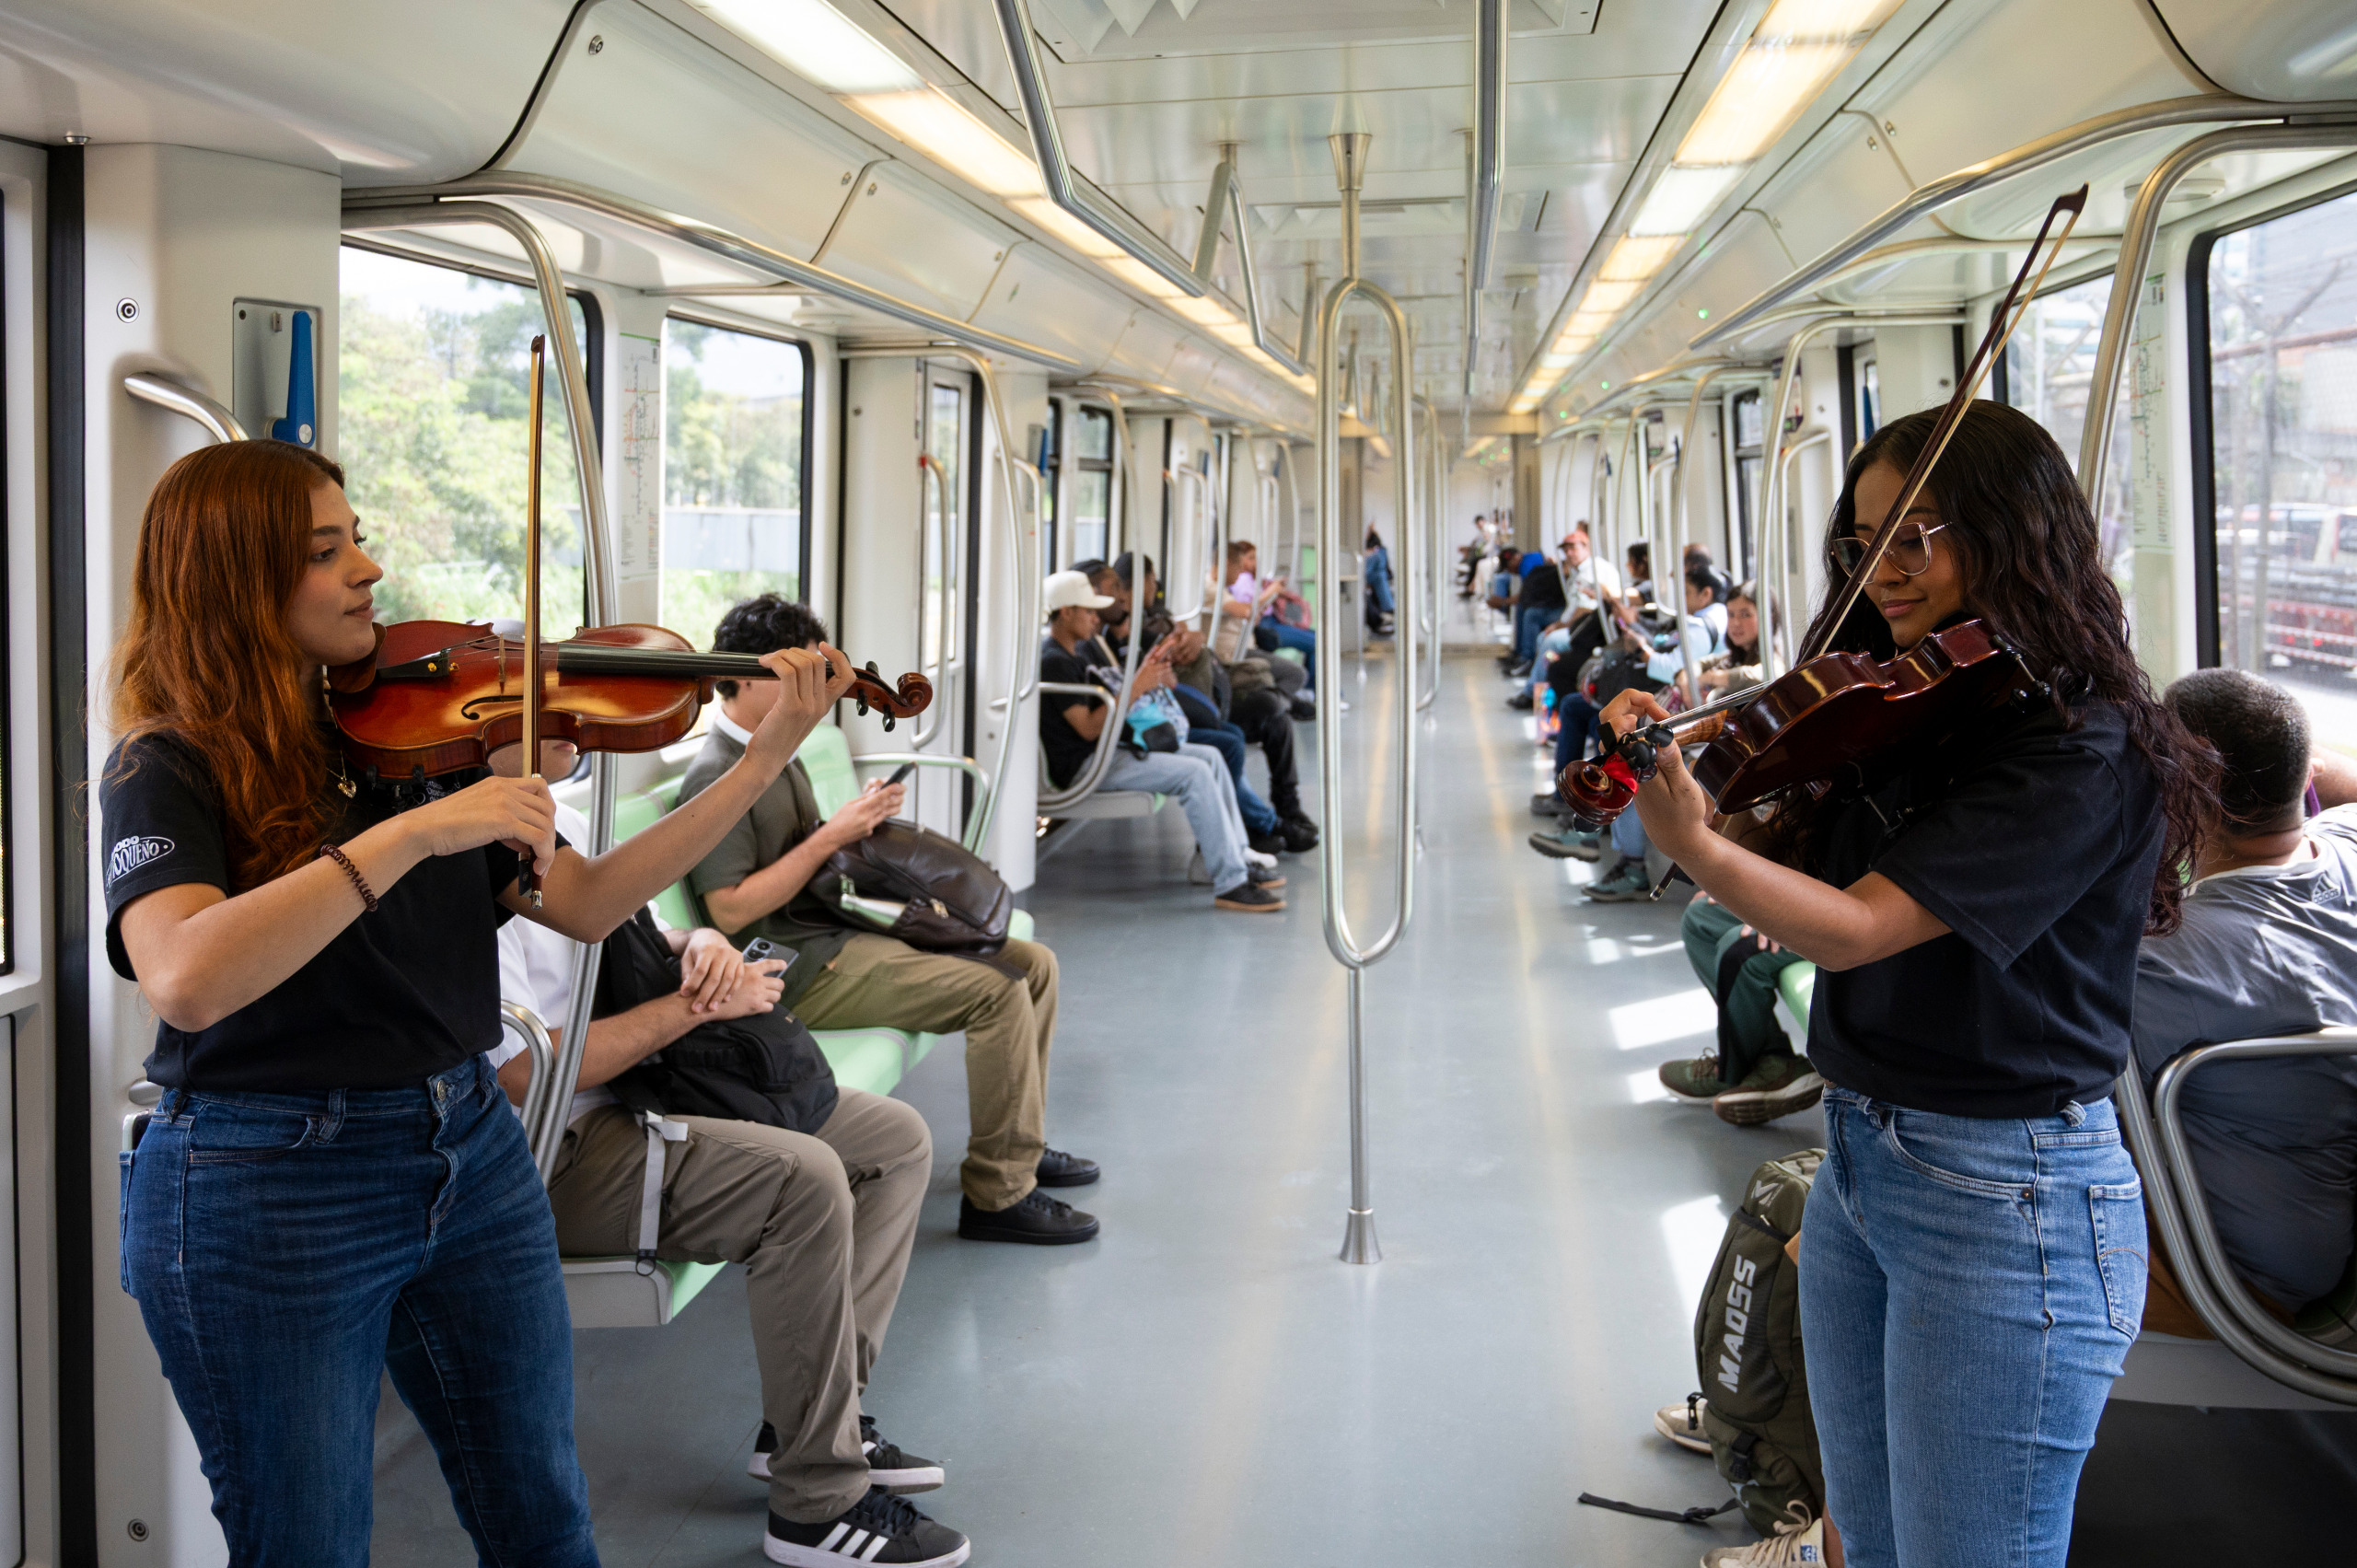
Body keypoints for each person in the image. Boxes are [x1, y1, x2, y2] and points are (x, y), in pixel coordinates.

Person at [104, 440, 861, 1564]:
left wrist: (761, 764)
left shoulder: (413, 731)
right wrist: (412, 834)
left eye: (357, 535)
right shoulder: (163, 763)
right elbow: (185, 972)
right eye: (325, 549)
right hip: (265, 1180)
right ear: (234, 581)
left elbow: (592, 901)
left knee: (544, 1513)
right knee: (306, 1541)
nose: (367, 566)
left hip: (468, 1143)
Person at [1597, 400, 2211, 1567]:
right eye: (1867, 540)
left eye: (1920, 532)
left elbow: (1859, 929)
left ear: (2013, 532)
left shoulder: (2082, 744)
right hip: (1866, 1154)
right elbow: (1795, 860)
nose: (1887, 567)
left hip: (2006, 1191)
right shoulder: (1915, 707)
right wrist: (1680, 770)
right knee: (1866, 1540)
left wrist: (1697, 845)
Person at [492, 780, 966, 1568]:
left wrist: (697, 945)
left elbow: (641, 927)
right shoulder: (475, 859)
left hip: (643, 1089)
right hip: (554, 1146)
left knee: (892, 1140)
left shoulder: (564, 816)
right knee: (805, 1179)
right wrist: (696, 1010)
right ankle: (818, 1501)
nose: (579, 708)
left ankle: (817, 1425)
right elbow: (518, 1070)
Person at [677, 593, 1105, 1247]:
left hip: (830, 929)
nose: (814, 693)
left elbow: (798, 850)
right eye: (800, 676)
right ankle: (998, 1191)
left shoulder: (775, 748)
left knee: (1032, 963)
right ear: (754, 674)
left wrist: (851, 821)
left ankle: (1021, 1138)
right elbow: (730, 906)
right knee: (997, 992)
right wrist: (829, 838)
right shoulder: (719, 772)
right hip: (795, 965)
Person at [2131, 668, 2357, 1330]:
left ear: (2178, 791)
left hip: (2231, 1274)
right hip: (2311, 1239)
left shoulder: (2166, 965)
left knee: (1904, 1198)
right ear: (2303, 777)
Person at [1038, 570, 1285, 912]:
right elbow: (1088, 729)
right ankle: (1231, 882)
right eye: (1088, 611)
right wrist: (1137, 686)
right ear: (1065, 612)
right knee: (1193, 775)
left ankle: (1234, 857)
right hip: (1086, 764)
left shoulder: (1075, 655)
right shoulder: (1054, 662)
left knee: (1211, 757)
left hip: (1108, 752)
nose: (1096, 619)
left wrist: (1143, 680)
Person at [1223, 540, 1317, 691]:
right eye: (1250, 558)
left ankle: (1311, 688)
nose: (1254, 563)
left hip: (1271, 621)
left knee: (1316, 637)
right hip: (1266, 626)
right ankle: (1313, 689)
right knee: (1316, 642)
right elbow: (1248, 610)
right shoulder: (1240, 581)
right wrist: (1271, 592)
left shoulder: (1251, 579)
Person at [1364, 527, 1396, 633]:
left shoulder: (1375, 544)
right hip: (1366, 573)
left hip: (1371, 573)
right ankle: (1388, 608)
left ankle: (1388, 608)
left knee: (1380, 572)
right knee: (1380, 573)